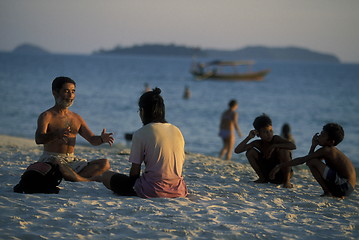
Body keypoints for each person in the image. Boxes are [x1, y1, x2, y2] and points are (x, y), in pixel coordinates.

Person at [98, 88, 188, 198]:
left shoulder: (141, 133)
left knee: (106, 176)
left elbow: (135, 172)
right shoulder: (177, 130)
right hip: (179, 190)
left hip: (153, 190)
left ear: (143, 111)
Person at [35, 76, 114, 182]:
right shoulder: (46, 116)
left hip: (71, 161)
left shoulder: (76, 118)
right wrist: (56, 134)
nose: (70, 95)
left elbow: (92, 139)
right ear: (55, 93)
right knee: (59, 164)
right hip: (52, 159)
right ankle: (84, 179)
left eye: (73, 91)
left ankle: (74, 177)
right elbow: (39, 139)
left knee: (104, 163)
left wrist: (101, 139)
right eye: (66, 91)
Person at [270, 123, 356, 198]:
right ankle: (330, 192)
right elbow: (309, 160)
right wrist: (313, 146)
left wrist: (280, 165)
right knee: (312, 161)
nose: (319, 136)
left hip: (345, 186)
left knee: (312, 161)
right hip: (346, 188)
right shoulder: (329, 150)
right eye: (321, 133)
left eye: (323, 135)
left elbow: (305, 160)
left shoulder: (327, 150)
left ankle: (327, 192)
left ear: (331, 142)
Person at [234, 114, 296, 188]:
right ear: (258, 134)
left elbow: (293, 146)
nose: (269, 134)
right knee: (250, 152)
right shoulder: (257, 143)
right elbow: (237, 150)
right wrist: (249, 137)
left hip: (282, 173)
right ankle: (262, 178)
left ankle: (287, 181)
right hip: (268, 174)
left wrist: (274, 146)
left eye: (270, 131)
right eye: (265, 132)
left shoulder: (276, 139)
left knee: (284, 151)